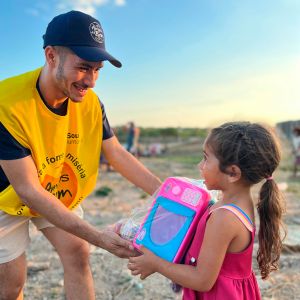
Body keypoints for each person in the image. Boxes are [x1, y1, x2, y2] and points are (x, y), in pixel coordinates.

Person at [0, 10, 161, 300]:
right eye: (84, 67)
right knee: (11, 284)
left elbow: (116, 154)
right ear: (51, 56)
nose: (92, 81)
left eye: (98, 69)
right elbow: (28, 190)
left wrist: (167, 193)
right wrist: (99, 237)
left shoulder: (90, 103)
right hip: (8, 195)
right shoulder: (7, 103)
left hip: (56, 186)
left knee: (77, 253)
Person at [128, 122, 286, 300]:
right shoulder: (232, 203)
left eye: (205, 158)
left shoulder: (225, 218)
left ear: (233, 173)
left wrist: (155, 264)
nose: (199, 165)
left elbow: (202, 280)